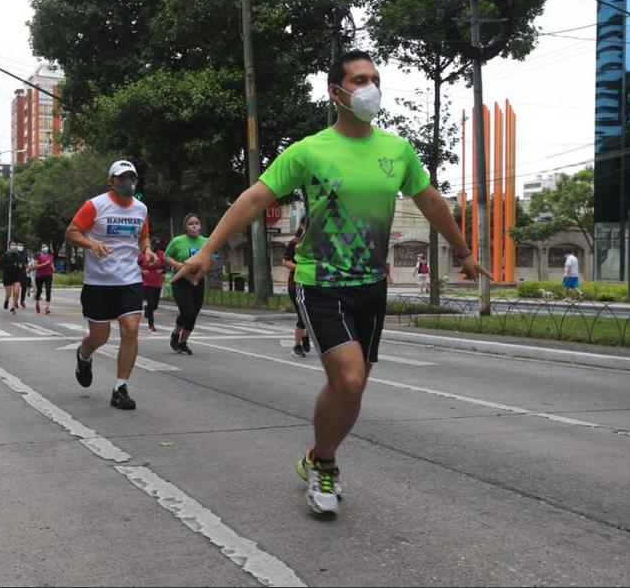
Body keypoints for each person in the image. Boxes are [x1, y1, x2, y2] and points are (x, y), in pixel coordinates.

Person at [173, 50, 490, 517]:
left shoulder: (396, 150)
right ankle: (325, 465)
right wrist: (206, 249)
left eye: (375, 78)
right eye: (359, 79)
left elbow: (431, 201)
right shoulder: (310, 150)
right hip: (319, 282)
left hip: (370, 285)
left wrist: (463, 252)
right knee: (348, 377)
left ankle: (319, 457)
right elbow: (254, 198)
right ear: (335, 92)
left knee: (354, 389)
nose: (369, 88)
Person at [64, 159, 156, 410]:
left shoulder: (140, 208)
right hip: (98, 281)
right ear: (111, 181)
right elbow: (71, 232)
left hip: (130, 279)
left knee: (131, 329)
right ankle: (84, 355)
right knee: (99, 336)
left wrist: (147, 250)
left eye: (132, 177)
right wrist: (91, 244)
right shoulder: (94, 205)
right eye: (123, 177)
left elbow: (143, 235)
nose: (128, 182)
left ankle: (120, 388)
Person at [164, 214, 208, 355]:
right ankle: (176, 334)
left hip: (198, 279)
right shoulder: (178, 241)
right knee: (187, 310)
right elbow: (166, 256)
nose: (194, 225)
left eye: (197, 222)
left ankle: (183, 342)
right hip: (181, 280)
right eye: (191, 223)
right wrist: (177, 264)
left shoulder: (206, 241)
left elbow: (211, 257)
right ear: (185, 227)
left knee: (194, 312)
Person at [283, 221, 311, 358]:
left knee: (314, 316)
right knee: (302, 316)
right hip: (296, 284)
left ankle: (305, 336)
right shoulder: (295, 242)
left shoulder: (320, 244)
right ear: (302, 226)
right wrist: (301, 268)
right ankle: (297, 346)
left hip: (314, 284)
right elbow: (285, 262)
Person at [139, 237, 165, 331]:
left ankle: (147, 309)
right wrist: (142, 270)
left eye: (158, 245)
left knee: (155, 305)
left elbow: (164, 267)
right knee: (150, 303)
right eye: (155, 245)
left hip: (157, 282)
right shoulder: (143, 254)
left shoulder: (161, 254)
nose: (156, 247)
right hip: (146, 282)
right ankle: (151, 324)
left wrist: (161, 270)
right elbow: (136, 265)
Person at [0, 241, 25, 314]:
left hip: (16, 275)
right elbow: (1, 265)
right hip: (7, 276)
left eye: (15, 245)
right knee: (9, 294)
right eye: (12, 245)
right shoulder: (5, 255)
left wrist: (21, 265)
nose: (14, 246)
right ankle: (6, 300)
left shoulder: (18, 255)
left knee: (16, 292)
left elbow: (22, 263)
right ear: (9, 246)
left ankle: (13, 307)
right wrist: (12, 265)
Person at [29, 242, 55, 314]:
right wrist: (45, 264)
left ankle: (47, 307)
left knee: (48, 290)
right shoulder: (38, 256)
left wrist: (54, 269)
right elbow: (35, 266)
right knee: (39, 290)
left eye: (45, 246)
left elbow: (51, 264)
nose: (45, 248)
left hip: (48, 274)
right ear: (41, 248)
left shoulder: (50, 256)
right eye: (43, 247)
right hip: (39, 275)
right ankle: (37, 302)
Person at [19, 243, 31, 309]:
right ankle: (15, 301)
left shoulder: (24, 253)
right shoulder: (15, 253)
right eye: (19, 245)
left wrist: (26, 265)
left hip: (23, 272)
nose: (21, 247)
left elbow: (26, 262)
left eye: (22, 245)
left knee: (24, 286)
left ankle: (22, 301)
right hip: (16, 273)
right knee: (16, 289)